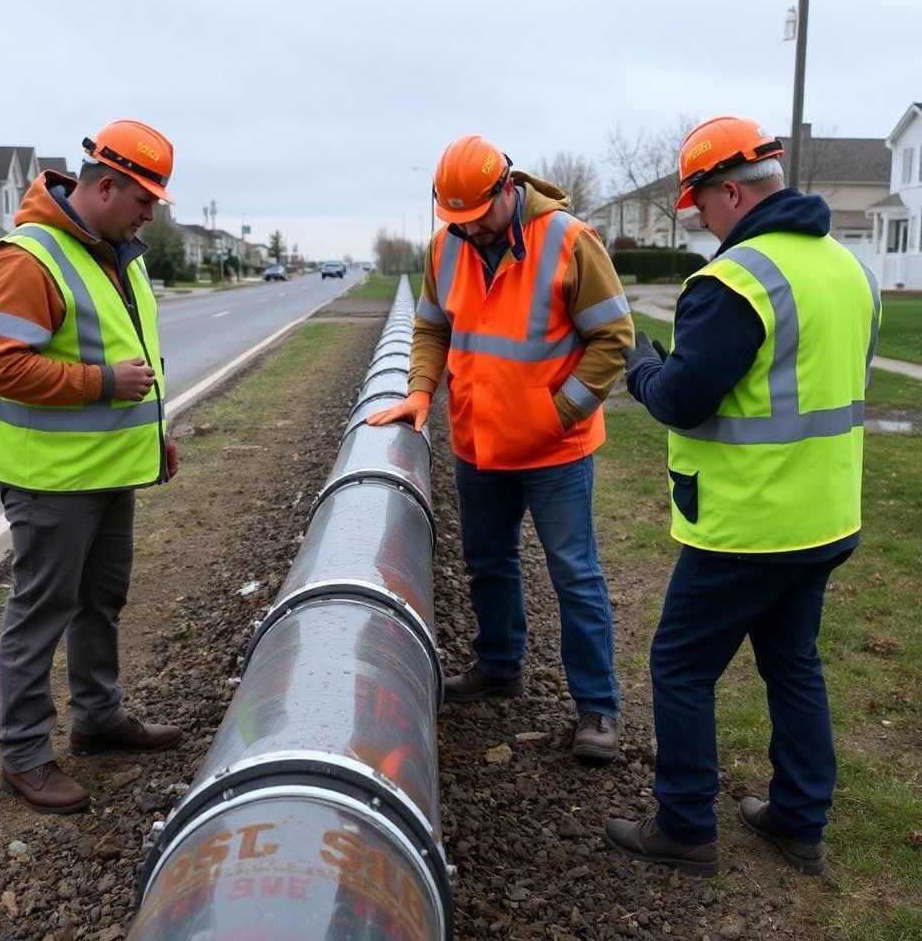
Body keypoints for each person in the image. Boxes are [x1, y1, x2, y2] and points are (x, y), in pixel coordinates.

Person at [605, 115, 881, 876]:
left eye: (699, 204)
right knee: (793, 661)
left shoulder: (734, 281)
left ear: (732, 190)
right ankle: (798, 820)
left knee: (681, 666)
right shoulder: (848, 269)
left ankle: (686, 827)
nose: (697, 220)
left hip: (750, 524)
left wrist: (642, 371)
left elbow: (683, 399)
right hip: (826, 514)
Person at [367, 135, 633, 762]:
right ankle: (499, 665)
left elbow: (613, 340)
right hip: (478, 444)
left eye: (479, 216)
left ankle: (597, 708)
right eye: (455, 220)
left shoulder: (569, 240)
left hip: (554, 450)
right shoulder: (446, 247)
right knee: (488, 562)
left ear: (508, 188)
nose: (471, 230)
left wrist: (557, 412)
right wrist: (420, 389)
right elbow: (432, 325)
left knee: (574, 573)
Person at [0, 120, 185, 814]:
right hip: (49, 478)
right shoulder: (27, 257)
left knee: (101, 600)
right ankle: (25, 754)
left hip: (106, 469)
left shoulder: (117, 253)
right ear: (104, 185)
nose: (151, 212)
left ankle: (98, 717)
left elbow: (137, 358)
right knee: (42, 611)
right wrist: (99, 385)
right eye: (144, 198)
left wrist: (158, 438)